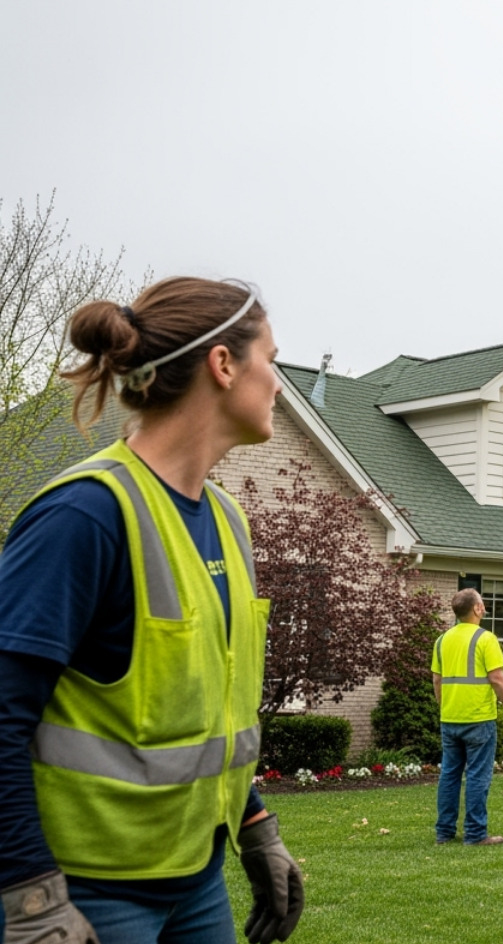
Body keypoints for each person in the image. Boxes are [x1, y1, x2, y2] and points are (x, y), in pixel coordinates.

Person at [0, 277, 303, 944]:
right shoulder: (84, 516)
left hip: (194, 883)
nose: (279, 383)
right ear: (223, 365)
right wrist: (29, 896)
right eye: (272, 361)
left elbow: (200, 714)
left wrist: (254, 828)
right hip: (84, 895)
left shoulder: (227, 521)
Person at [431, 588, 503, 846]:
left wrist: (445, 707)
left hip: (450, 718)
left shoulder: (442, 641)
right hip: (479, 719)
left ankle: (444, 833)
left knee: (449, 775)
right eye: (482, 604)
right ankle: (475, 833)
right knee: (477, 776)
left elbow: (437, 680)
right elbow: (497, 679)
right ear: (476, 609)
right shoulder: (486, 639)